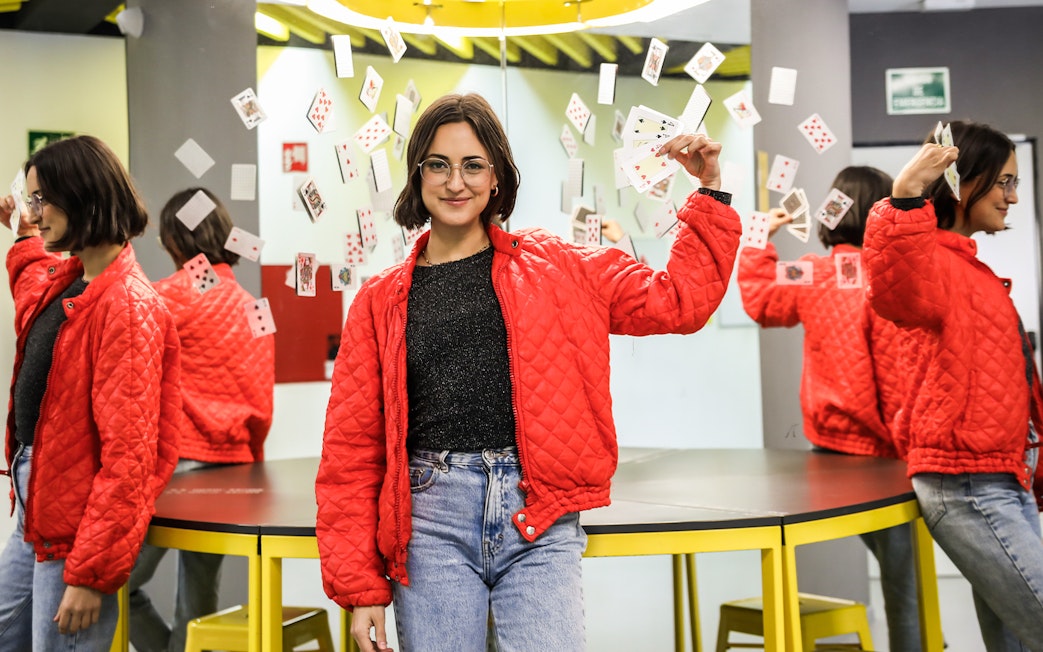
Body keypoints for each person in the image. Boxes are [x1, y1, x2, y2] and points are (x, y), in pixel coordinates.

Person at [314, 92, 742, 652]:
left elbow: (679, 302)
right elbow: (351, 452)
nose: (455, 182)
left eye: (472, 165)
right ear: (417, 176)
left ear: (496, 178)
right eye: (438, 165)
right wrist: (360, 588)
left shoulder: (560, 267)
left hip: (538, 517)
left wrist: (707, 191)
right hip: (429, 523)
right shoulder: (379, 300)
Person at [863, 121, 1043, 650]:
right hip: (968, 485)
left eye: (1015, 183)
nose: (1012, 198)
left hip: (998, 480)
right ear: (964, 181)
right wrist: (903, 197)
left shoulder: (968, 267)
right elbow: (894, 288)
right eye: (1003, 182)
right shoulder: (932, 262)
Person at [0, 135, 181, 650]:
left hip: (77, 524)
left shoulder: (127, 307)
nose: (34, 212)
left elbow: (130, 456)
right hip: (39, 509)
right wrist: (19, 232)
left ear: (81, 196)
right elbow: (32, 280)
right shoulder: (72, 280)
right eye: (30, 200)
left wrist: (90, 573)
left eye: (41, 200)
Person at [738, 166, 923, 651]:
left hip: (825, 451)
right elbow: (897, 381)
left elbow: (759, 301)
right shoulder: (883, 280)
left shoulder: (814, 273)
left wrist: (759, 233)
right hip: (885, 457)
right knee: (904, 579)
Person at [127, 188, 275, 652]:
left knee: (115, 584)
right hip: (234, 470)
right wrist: (252, 461)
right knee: (200, 600)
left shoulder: (165, 297)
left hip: (177, 466)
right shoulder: (256, 307)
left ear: (174, 240)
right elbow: (263, 405)